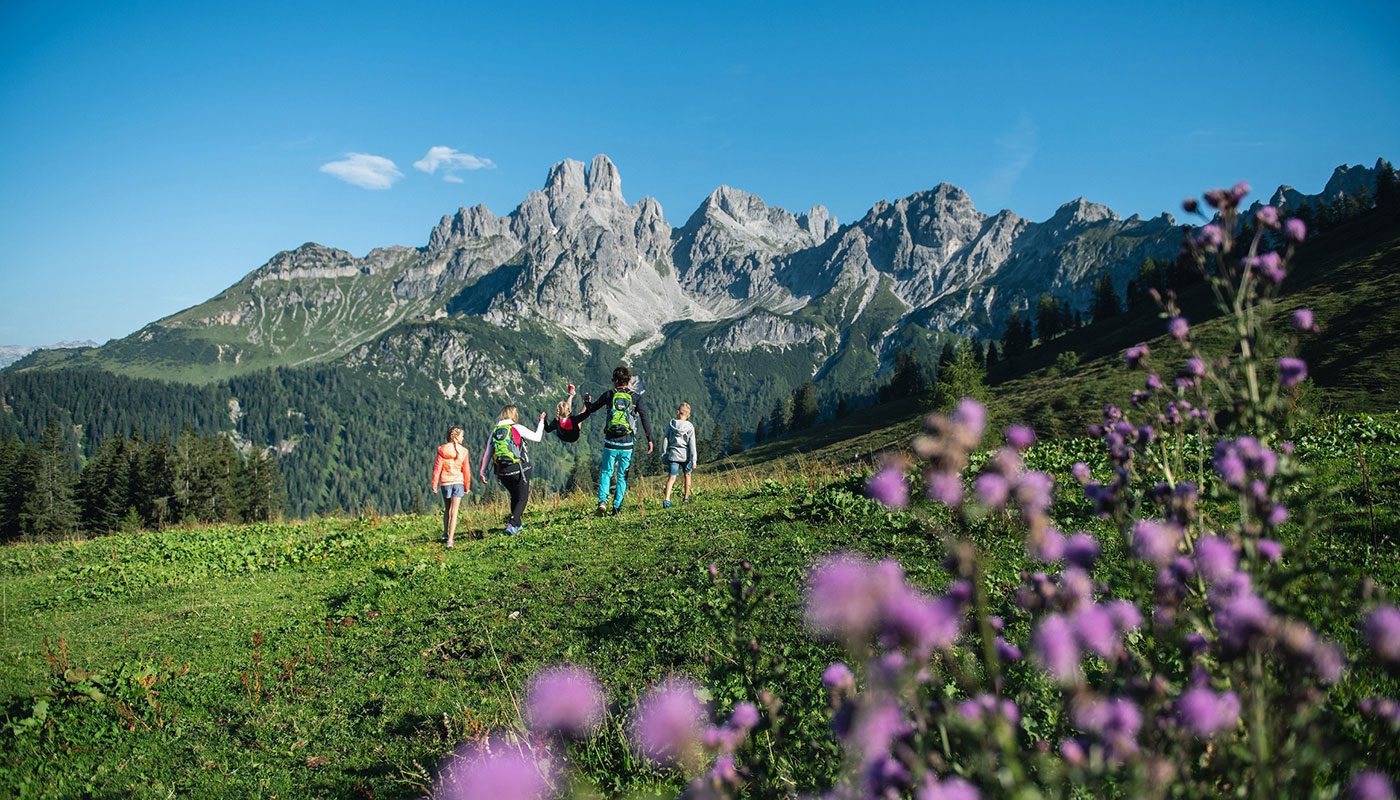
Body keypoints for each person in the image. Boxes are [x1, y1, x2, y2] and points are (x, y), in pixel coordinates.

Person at [574, 365, 654, 515]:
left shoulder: (610, 394)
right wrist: (650, 439)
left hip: (610, 442)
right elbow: (645, 419)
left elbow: (592, 409)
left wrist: (587, 402)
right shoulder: (636, 398)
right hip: (627, 444)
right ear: (628, 380)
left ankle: (603, 502)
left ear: (615, 381)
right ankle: (616, 508)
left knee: (606, 472)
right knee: (622, 476)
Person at [477, 405, 545, 535]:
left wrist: (482, 470)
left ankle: (517, 525)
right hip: (519, 468)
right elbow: (537, 437)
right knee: (523, 498)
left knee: (515, 495)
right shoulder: (516, 428)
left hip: (502, 471)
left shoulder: (495, 431)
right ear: (514, 415)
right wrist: (541, 421)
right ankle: (512, 524)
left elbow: (487, 453)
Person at [430, 427, 471, 547]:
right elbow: (466, 470)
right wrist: (467, 485)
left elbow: (437, 469)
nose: (463, 438)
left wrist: (434, 484)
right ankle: (450, 540)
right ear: (456, 437)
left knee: (447, 508)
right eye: (462, 436)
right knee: (455, 510)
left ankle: (445, 533)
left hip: (445, 482)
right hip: (458, 481)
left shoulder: (442, 450)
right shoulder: (464, 451)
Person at [662, 402, 698, 508]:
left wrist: (664, 454)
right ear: (688, 415)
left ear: (678, 412)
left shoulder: (671, 424)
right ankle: (686, 498)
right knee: (687, 475)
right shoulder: (690, 427)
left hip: (673, 455)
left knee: (671, 478)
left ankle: (667, 500)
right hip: (685, 456)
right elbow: (692, 444)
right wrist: (694, 460)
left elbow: (665, 440)